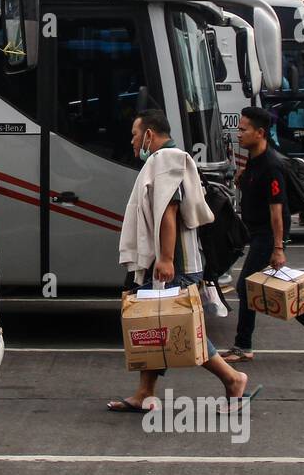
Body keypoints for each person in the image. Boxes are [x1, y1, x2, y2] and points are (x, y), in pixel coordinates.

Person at [108, 110, 254, 413]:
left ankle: (232, 379)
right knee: (155, 322)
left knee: (183, 329)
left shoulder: (165, 161)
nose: (133, 141)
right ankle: (145, 392)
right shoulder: (168, 159)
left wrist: (164, 258)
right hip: (172, 261)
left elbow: (168, 212)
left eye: (136, 135)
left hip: (173, 262)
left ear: (149, 134)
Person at [221, 106, 304, 362]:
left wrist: (278, 247)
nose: (239, 134)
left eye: (243, 129)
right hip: (256, 232)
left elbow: (277, 211)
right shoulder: (255, 159)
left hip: (267, 235)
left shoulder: (272, 166)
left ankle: (243, 345)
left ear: (260, 133)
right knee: (274, 286)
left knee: (247, 286)